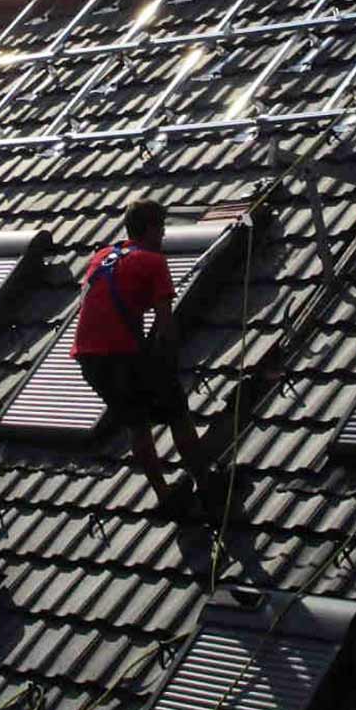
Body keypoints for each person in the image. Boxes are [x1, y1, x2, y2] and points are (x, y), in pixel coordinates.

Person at [71, 198, 221, 518]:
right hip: (124, 355)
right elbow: (165, 325)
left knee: (136, 424)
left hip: (90, 360)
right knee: (177, 413)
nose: (164, 234)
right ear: (150, 229)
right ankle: (207, 485)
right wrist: (169, 367)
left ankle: (164, 494)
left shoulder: (101, 256)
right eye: (161, 227)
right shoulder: (153, 261)